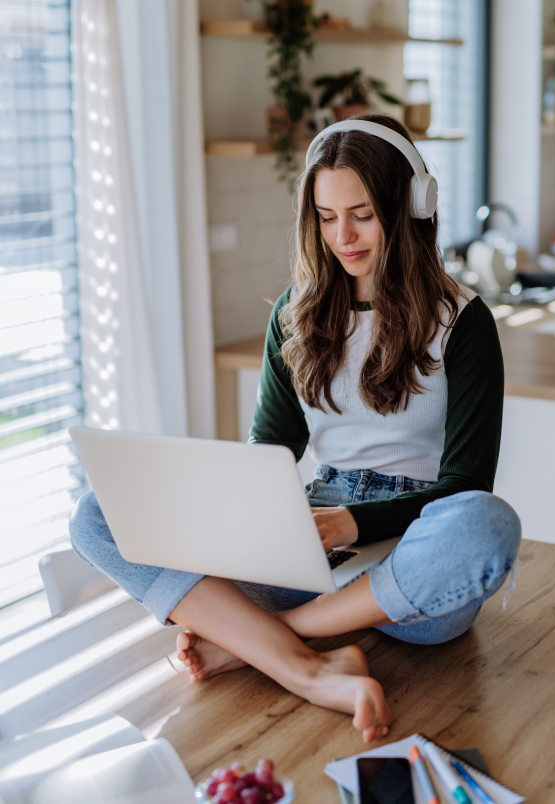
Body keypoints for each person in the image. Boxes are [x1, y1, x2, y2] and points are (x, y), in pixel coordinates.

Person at [70, 113, 521, 743]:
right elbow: (273, 451)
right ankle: (307, 666)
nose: (344, 236)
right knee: (97, 512)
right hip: (308, 537)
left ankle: (270, 636)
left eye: (362, 213)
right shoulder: (294, 313)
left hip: (412, 545)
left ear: (410, 204)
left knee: (488, 524)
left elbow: (465, 483)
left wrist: (355, 524)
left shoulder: (463, 322)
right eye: (326, 216)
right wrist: (241, 506)